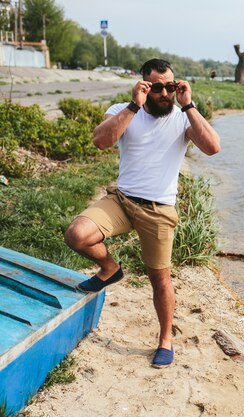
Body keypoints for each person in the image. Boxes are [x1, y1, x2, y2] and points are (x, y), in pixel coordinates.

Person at [64, 58, 220, 368]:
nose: (165, 94)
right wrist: (133, 107)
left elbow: (213, 147)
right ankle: (110, 269)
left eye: (171, 87)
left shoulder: (182, 117)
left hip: (159, 210)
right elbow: (100, 141)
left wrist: (189, 106)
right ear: (144, 87)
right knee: (76, 235)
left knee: (159, 278)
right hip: (122, 201)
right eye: (158, 87)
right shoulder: (124, 110)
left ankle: (165, 339)